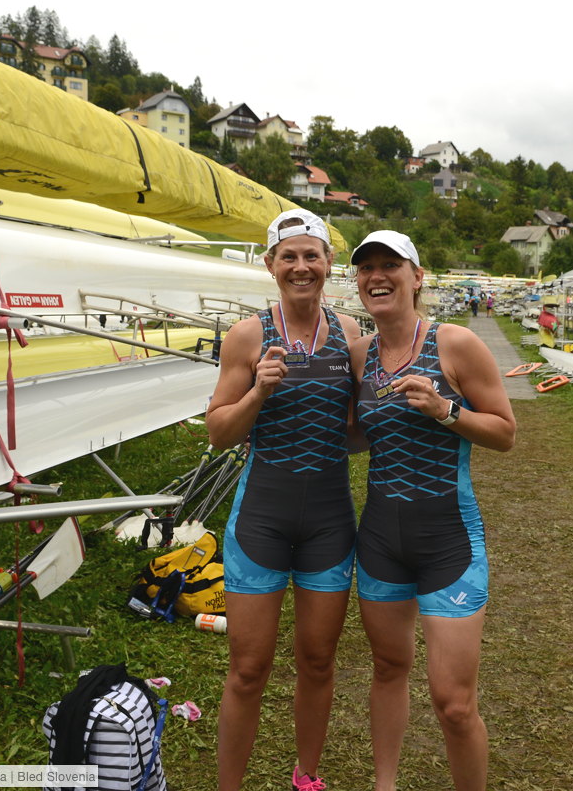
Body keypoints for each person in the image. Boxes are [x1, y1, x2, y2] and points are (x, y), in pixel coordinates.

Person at [348, 231, 516, 791]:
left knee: (454, 704)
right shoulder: (359, 355)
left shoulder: (456, 344)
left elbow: (504, 433)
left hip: (449, 541)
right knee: (389, 670)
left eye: (390, 265)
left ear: (416, 276)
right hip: (380, 544)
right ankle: (384, 785)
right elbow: (353, 433)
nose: (378, 276)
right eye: (366, 267)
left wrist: (446, 411)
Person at [205, 209, 362, 791]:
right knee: (249, 669)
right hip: (262, 520)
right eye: (288, 256)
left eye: (311, 256)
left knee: (318, 662)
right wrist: (258, 394)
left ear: (327, 265)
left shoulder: (350, 336)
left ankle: (307, 777)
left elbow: (356, 430)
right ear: (271, 265)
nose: (301, 267)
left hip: (328, 521)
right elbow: (218, 431)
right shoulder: (248, 336)